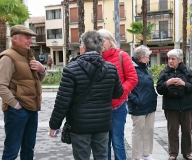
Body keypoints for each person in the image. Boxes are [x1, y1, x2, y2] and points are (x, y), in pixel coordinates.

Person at [49, 30, 124, 160]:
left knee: (81, 157)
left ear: (83, 47)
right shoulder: (111, 68)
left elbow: (62, 102)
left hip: (79, 124)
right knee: (102, 156)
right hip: (103, 123)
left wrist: (54, 125)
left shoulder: (71, 69)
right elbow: (118, 93)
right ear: (100, 47)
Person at [0, 25, 46, 160]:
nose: (30, 41)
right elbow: (1, 85)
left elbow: (36, 81)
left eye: (30, 38)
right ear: (15, 38)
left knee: (28, 148)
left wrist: (42, 70)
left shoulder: (28, 56)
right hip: (17, 111)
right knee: (12, 150)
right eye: (27, 38)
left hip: (32, 108)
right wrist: (15, 105)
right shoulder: (8, 57)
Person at [97, 29, 138, 160]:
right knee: (104, 143)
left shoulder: (122, 55)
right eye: (97, 41)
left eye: (102, 41)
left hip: (118, 106)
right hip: (101, 108)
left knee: (117, 141)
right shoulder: (96, 58)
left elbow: (132, 78)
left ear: (111, 41)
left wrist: (119, 93)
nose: (100, 44)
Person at [156, 49, 192, 160]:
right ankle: (173, 153)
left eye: (173, 59)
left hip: (186, 106)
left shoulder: (187, 72)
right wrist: (167, 83)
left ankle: (187, 152)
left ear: (179, 60)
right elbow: (159, 89)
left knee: (187, 130)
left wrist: (184, 84)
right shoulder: (164, 73)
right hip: (171, 107)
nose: (170, 61)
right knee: (172, 130)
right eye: (169, 58)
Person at [127, 45, 157, 160]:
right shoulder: (131, 69)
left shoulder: (144, 68)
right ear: (141, 58)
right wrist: (136, 100)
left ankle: (146, 153)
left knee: (149, 130)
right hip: (138, 106)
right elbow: (127, 87)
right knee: (138, 132)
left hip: (149, 104)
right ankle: (137, 156)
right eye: (148, 57)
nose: (149, 59)